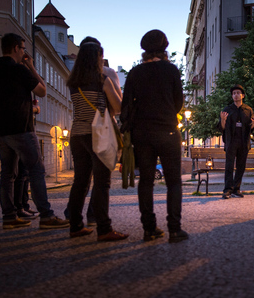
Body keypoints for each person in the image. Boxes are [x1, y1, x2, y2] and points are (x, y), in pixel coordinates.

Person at [0, 32, 68, 230]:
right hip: (21, 129)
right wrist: (30, 66)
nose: (24, 52)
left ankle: (9, 217)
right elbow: (43, 91)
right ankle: (46, 216)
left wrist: (0, 119)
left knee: (7, 174)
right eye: (23, 49)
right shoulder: (18, 70)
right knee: (36, 170)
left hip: (1, 132)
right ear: (15, 48)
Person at [121, 29, 187, 243]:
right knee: (173, 182)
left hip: (143, 134)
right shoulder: (171, 70)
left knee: (146, 181)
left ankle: (149, 228)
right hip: (168, 131)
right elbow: (179, 103)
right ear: (164, 48)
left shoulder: (135, 73)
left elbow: (126, 107)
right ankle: (175, 229)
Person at [66, 41, 128, 241]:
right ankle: (104, 229)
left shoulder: (73, 83)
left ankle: (75, 226)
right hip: (97, 135)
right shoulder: (102, 80)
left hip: (77, 134)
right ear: (97, 58)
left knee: (80, 182)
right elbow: (118, 108)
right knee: (102, 182)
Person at [220, 84, 254, 199]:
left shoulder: (248, 110)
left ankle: (236, 189)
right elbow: (223, 128)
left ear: (243, 95)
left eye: (238, 93)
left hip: (243, 141)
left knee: (241, 166)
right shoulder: (227, 110)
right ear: (232, 96)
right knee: (229, 166)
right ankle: (227, 190)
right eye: (234, 93)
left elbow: (250, 127)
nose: (236, 95)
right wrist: (223, 120)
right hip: (231, 141)